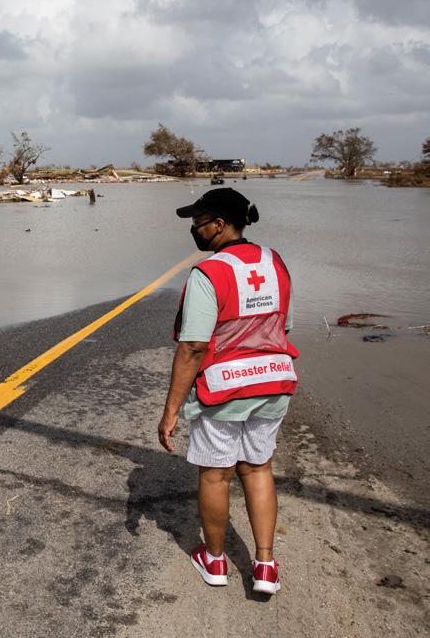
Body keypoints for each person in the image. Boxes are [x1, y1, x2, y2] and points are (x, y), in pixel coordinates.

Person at [157, 187, 298, 595]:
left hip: (224, 390)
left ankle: (215, 560)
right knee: (258, 468)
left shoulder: (209, 273)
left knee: (216, 476)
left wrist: (171, 410)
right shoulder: (275, 262)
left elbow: (193, 347)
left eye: (198, 222)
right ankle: (265, 566)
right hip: (273, 381)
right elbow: (284, 325)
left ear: (219, 225)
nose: (194, 229)